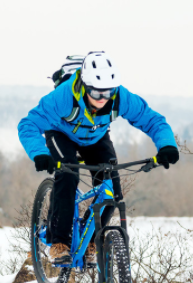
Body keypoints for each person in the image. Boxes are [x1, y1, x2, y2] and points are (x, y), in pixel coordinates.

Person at [18, 52, 179, 264]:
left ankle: (92, 239)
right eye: (96, 92)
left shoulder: (121, 97)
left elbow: (152, 120)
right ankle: (59, 243)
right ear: (85, 86)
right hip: (60, 134)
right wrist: (40, 154)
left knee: (112, 188)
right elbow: (28, 124)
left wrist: (167, 145)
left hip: (95, 137)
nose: (103, 99)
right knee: (68, 175)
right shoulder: (64, 96)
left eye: (108, 93)